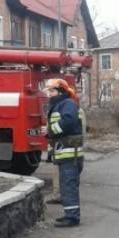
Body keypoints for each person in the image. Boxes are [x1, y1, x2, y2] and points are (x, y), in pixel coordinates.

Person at [45, 78, 85, 228]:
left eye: (52, 91)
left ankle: (72, 218)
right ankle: (70, 214)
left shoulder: (67, 104)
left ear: (61, 91)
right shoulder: (61, 104)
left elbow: (68, 121)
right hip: (65, 154)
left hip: (70, 155)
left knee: (69, 186)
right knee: (66, 186)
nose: (49, 94)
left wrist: (50, 130)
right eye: (48, 91)